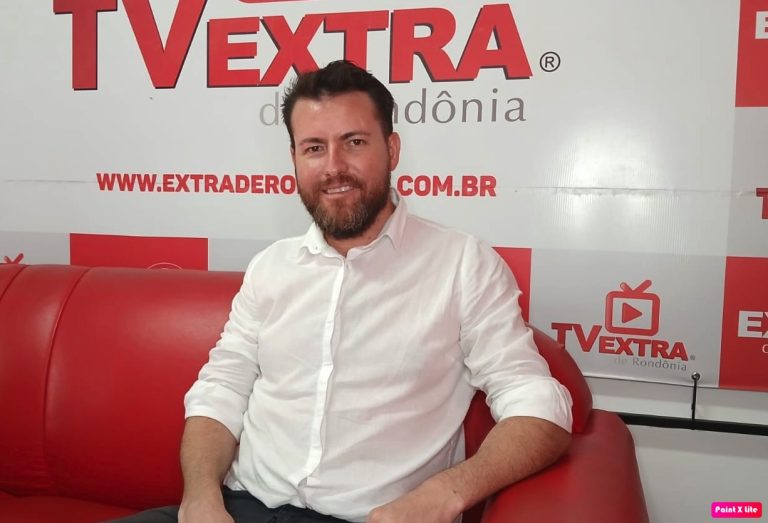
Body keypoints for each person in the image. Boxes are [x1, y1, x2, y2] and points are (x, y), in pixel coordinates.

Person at [114, 60, 573, 523]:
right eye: (314, 148)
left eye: (354, 142)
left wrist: (447, 493)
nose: (334, 167)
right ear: (294, 158)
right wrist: (199, 497)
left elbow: (537, 404)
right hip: (240, 507)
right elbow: (222, 389)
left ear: (392, 149)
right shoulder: (271, 267)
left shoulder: (463, 264)